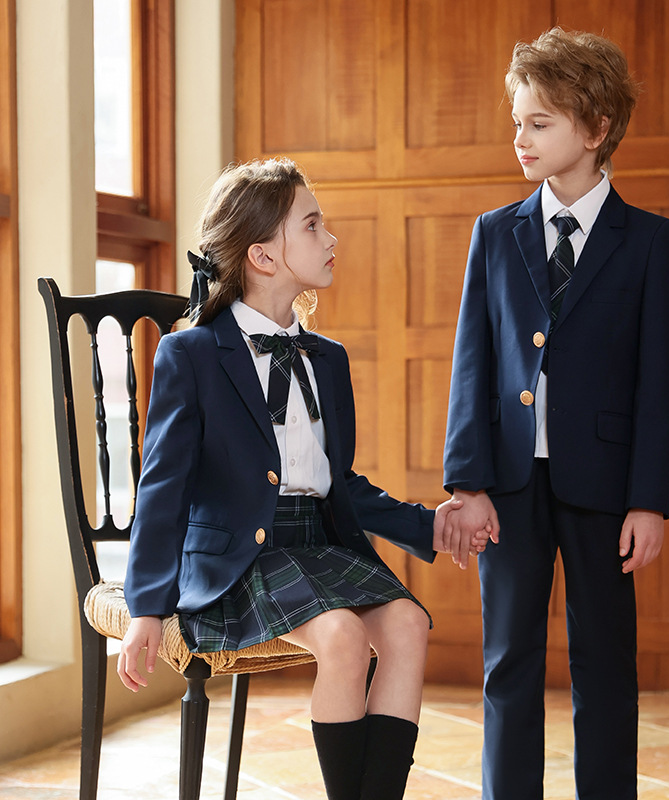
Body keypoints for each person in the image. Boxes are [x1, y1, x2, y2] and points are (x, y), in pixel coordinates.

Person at [117, 158, 489, 800]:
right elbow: (162, 487)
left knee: (407, 625)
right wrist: (146, 606)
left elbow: (339, 483)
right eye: (313, 225)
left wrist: (427, 524)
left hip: (320, 543)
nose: (331, 238)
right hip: (240, 559)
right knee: (343, 635)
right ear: (263, 256)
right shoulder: (192, 354)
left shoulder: (329, 359)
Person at [442, 28, 669, 800]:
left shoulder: (650, 243)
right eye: (517, 121)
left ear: (595, 128)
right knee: (507, 661)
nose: (520, 138)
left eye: (539, 122)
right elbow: (471, 367)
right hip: (509, 485)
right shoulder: (493, 233)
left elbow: (657, 382)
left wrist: (649, 500)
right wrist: (466, 482)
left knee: (605, 663)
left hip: (606, 488)